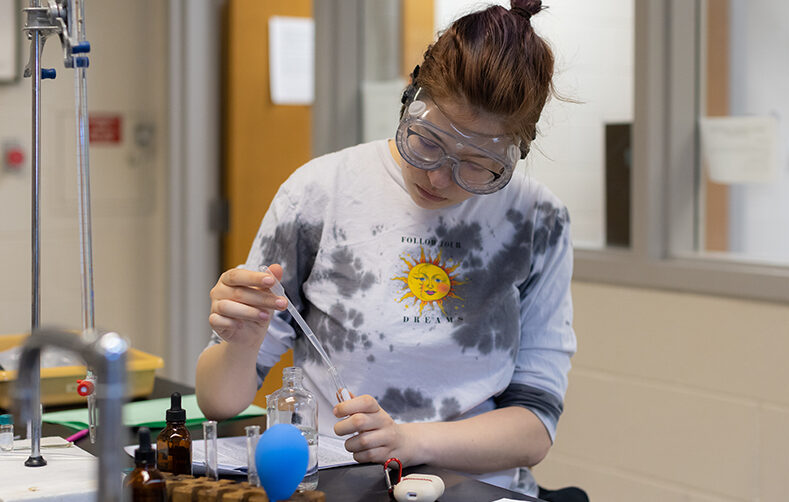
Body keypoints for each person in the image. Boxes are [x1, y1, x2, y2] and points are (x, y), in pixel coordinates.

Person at [196, 0, 576, 495]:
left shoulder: (536, 219)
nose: (439, 177)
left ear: (515, 152)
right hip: (334, 478)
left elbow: (534, 428)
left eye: (478, 164)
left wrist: (407, 440)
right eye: (428, 141)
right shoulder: (321, 191)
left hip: (475, 487)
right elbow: (219, 401)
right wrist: (241, 341)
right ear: (410, 99)